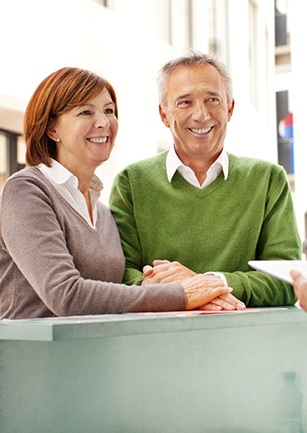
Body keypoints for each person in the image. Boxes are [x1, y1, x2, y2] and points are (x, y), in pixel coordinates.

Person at [0, 66, 235, 320]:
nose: (103, 122)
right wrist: (181, 294)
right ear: (52, 129)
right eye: (85, 112)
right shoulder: (26, 190)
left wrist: (161, 286)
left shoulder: (102, 211)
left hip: (92, 355)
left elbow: (112, 294)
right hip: (31, 357)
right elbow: (66, 295)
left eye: (109, 111)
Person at [109, 50, 302, 310]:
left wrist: (208, 282)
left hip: (247, 343)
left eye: (212, 99)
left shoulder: (268, 180)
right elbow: (121, 276)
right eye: (185, 102)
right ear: (164, 114)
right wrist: (186, 293)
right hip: (157, 342)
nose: (201, 114)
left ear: (229, 108)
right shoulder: (131, 182)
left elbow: (287, 281)